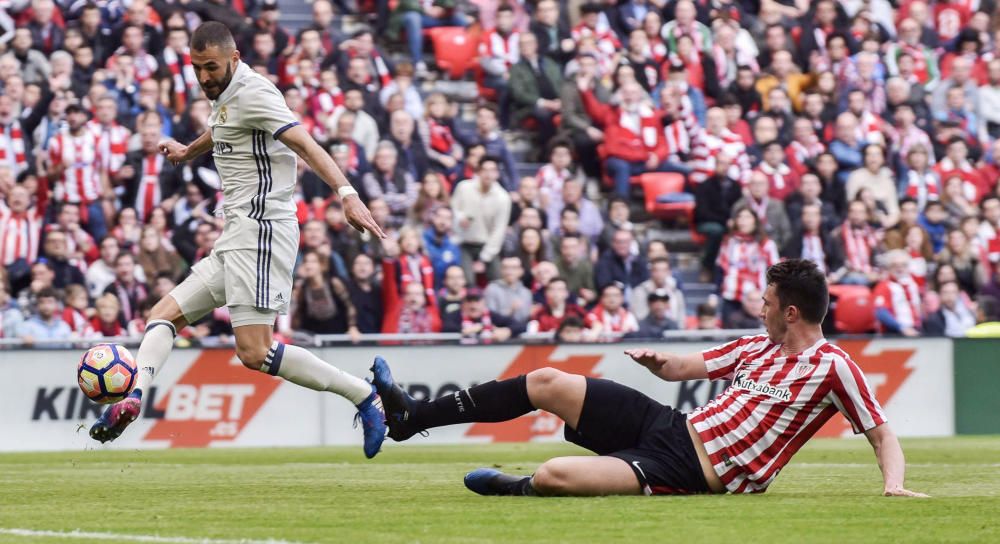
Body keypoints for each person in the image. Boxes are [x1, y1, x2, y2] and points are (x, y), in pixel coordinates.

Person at [370, 260, 927, 498]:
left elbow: (882, 433)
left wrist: (893, 483)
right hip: (672, 424)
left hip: (692, 469)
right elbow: (686, 369)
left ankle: (513, 488)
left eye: (766, 303)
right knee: (547, 381)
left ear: (792, 313)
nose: (759, 310)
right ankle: (408, 418)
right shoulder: (756, 345)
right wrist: (659, 364)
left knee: (554, 474)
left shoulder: (834, 368)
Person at [91, 22, 388, 459]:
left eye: (211, 67)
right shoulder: (227, 96)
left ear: (233, 59)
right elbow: (224, 127)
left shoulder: (256, 93)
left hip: (265, 229)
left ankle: (365, 395)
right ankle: (134, 397)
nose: (204, 77)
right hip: (237, 233)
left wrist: (347, 195)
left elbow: (306, 144)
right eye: (196, 68)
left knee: (255, 352)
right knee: (164, 315)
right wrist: (187, 151)